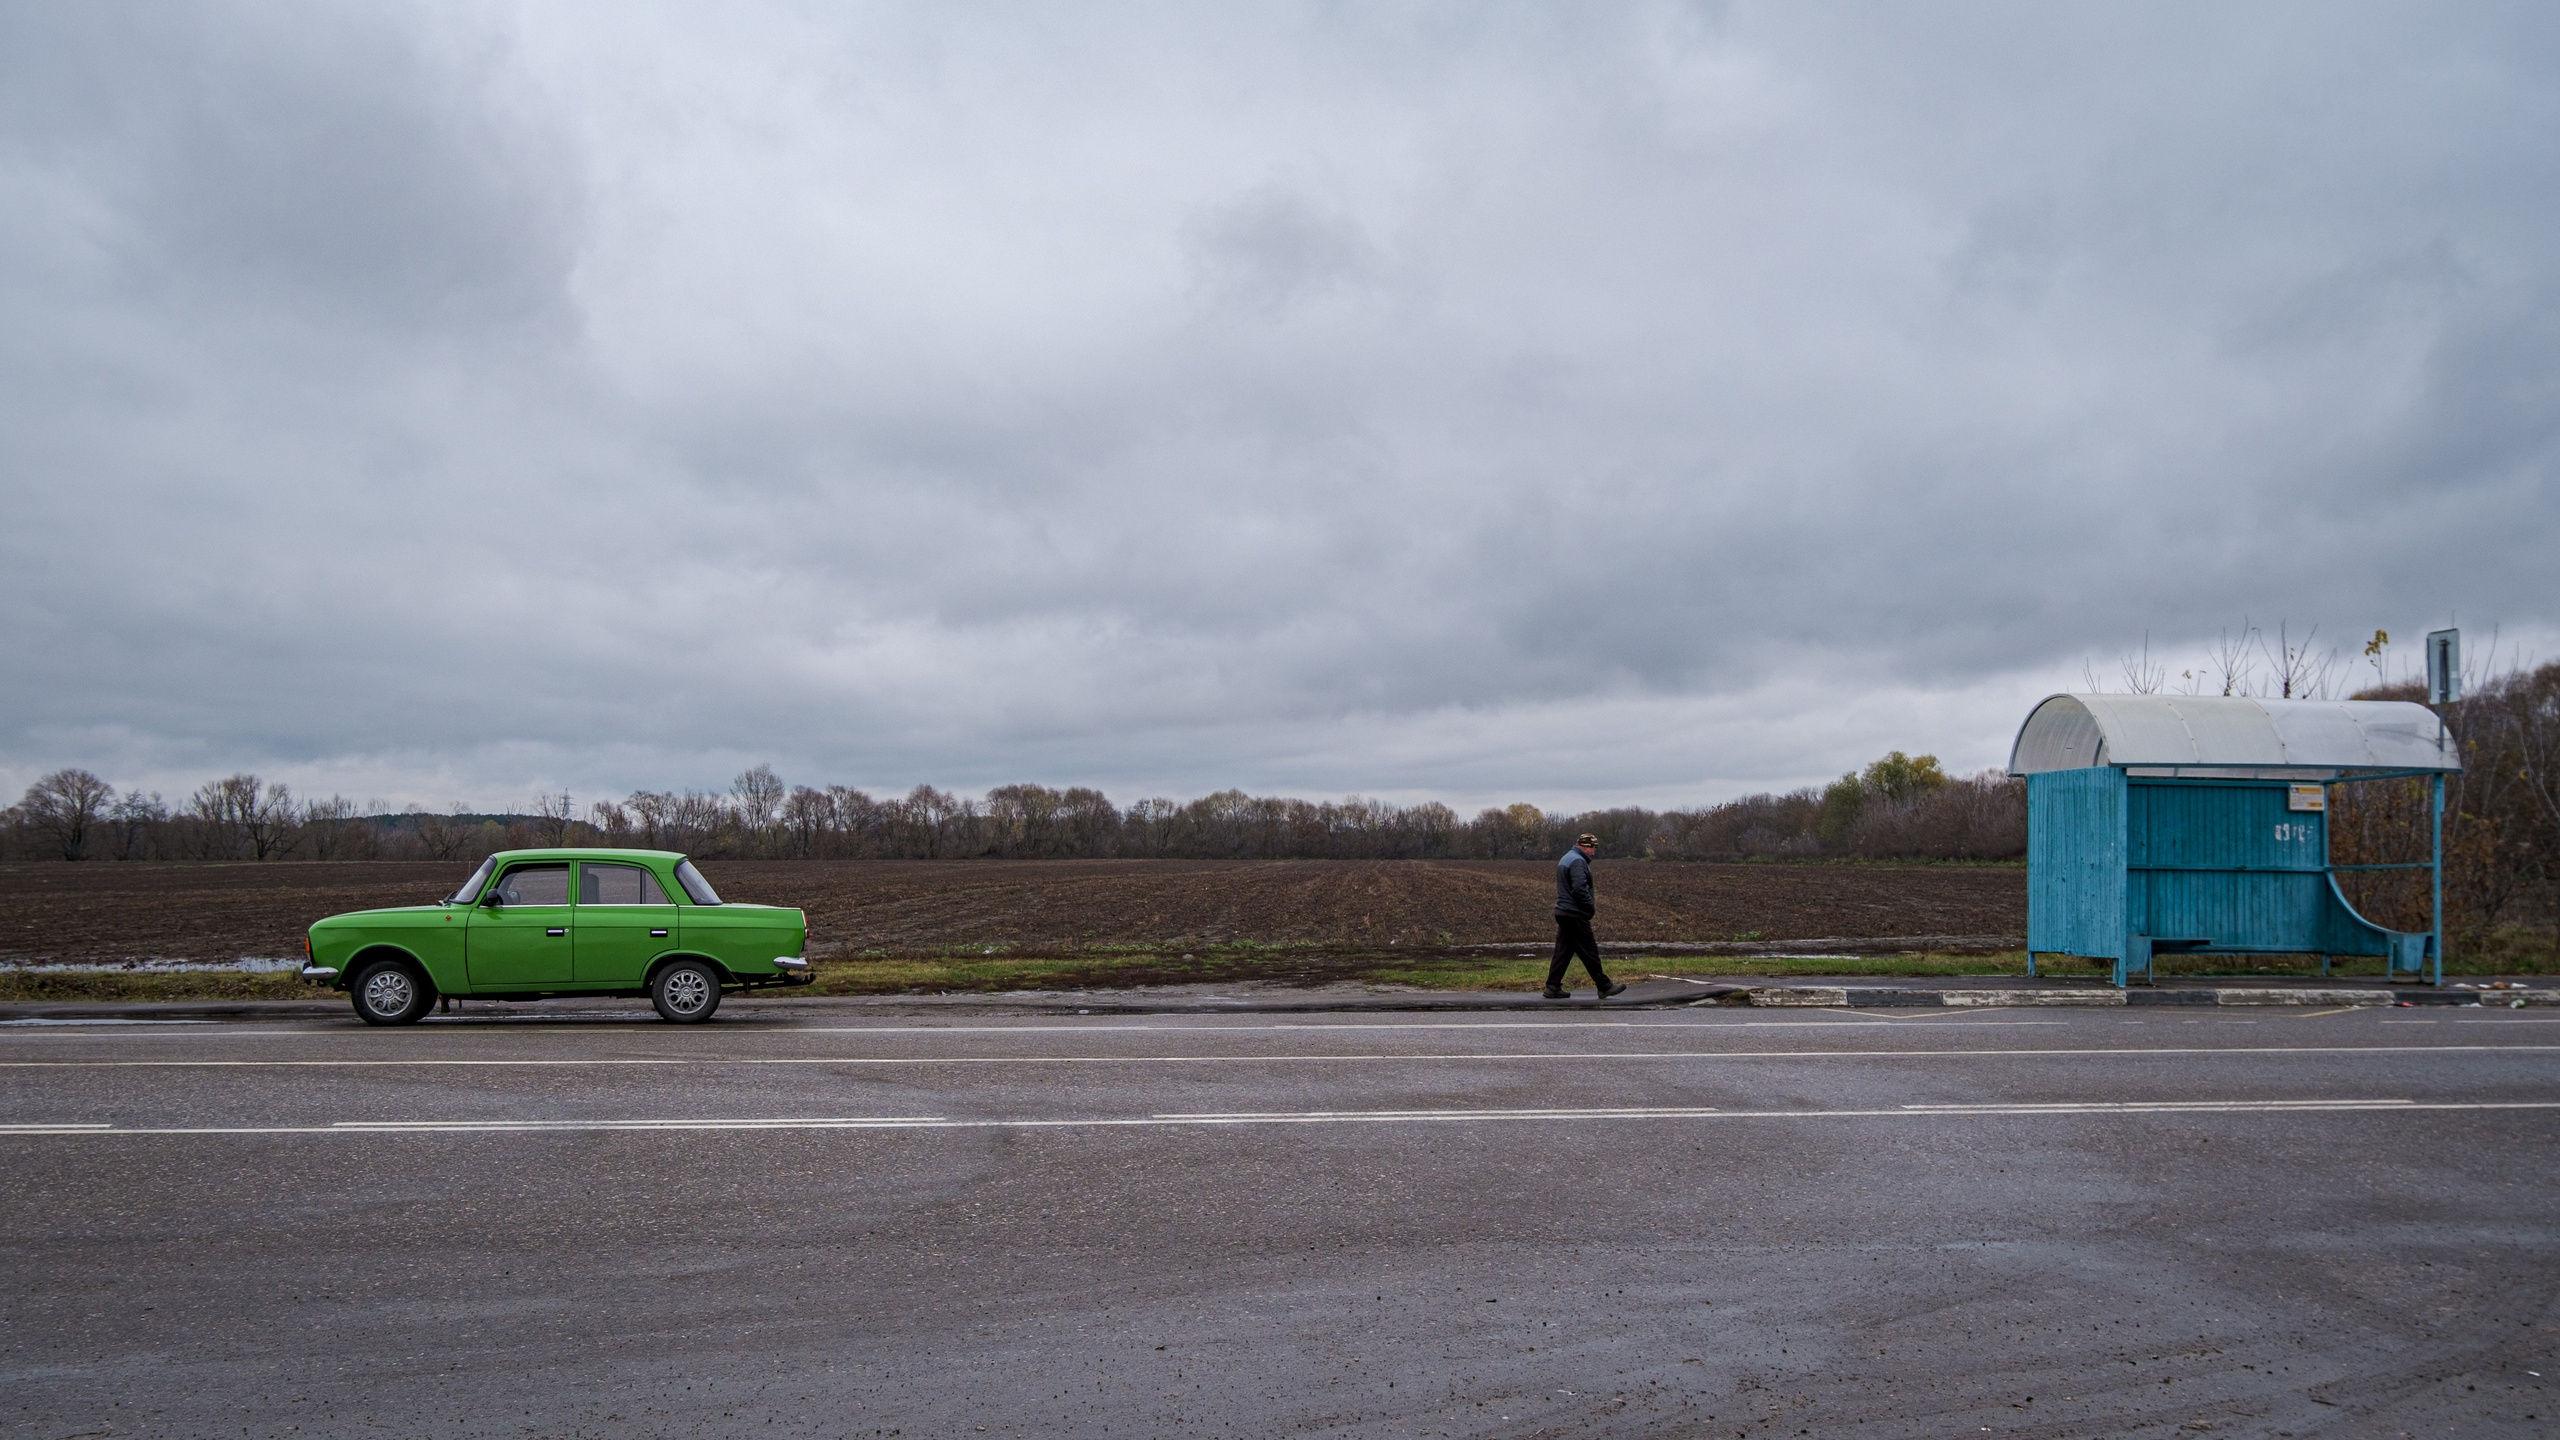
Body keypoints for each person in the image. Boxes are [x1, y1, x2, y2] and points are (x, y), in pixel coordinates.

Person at [1548, 833, 1624, 1000]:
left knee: (1563, 951)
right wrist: (1589, 907)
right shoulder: (1577, 861)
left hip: (1563, 912)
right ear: (1586, 846)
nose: (1594, 852)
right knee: (1589, 951)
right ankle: (1604, 986)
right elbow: (1580, 889)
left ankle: (1552, 986)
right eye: (1593, 848)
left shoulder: (1567, 858)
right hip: (1574, 913)